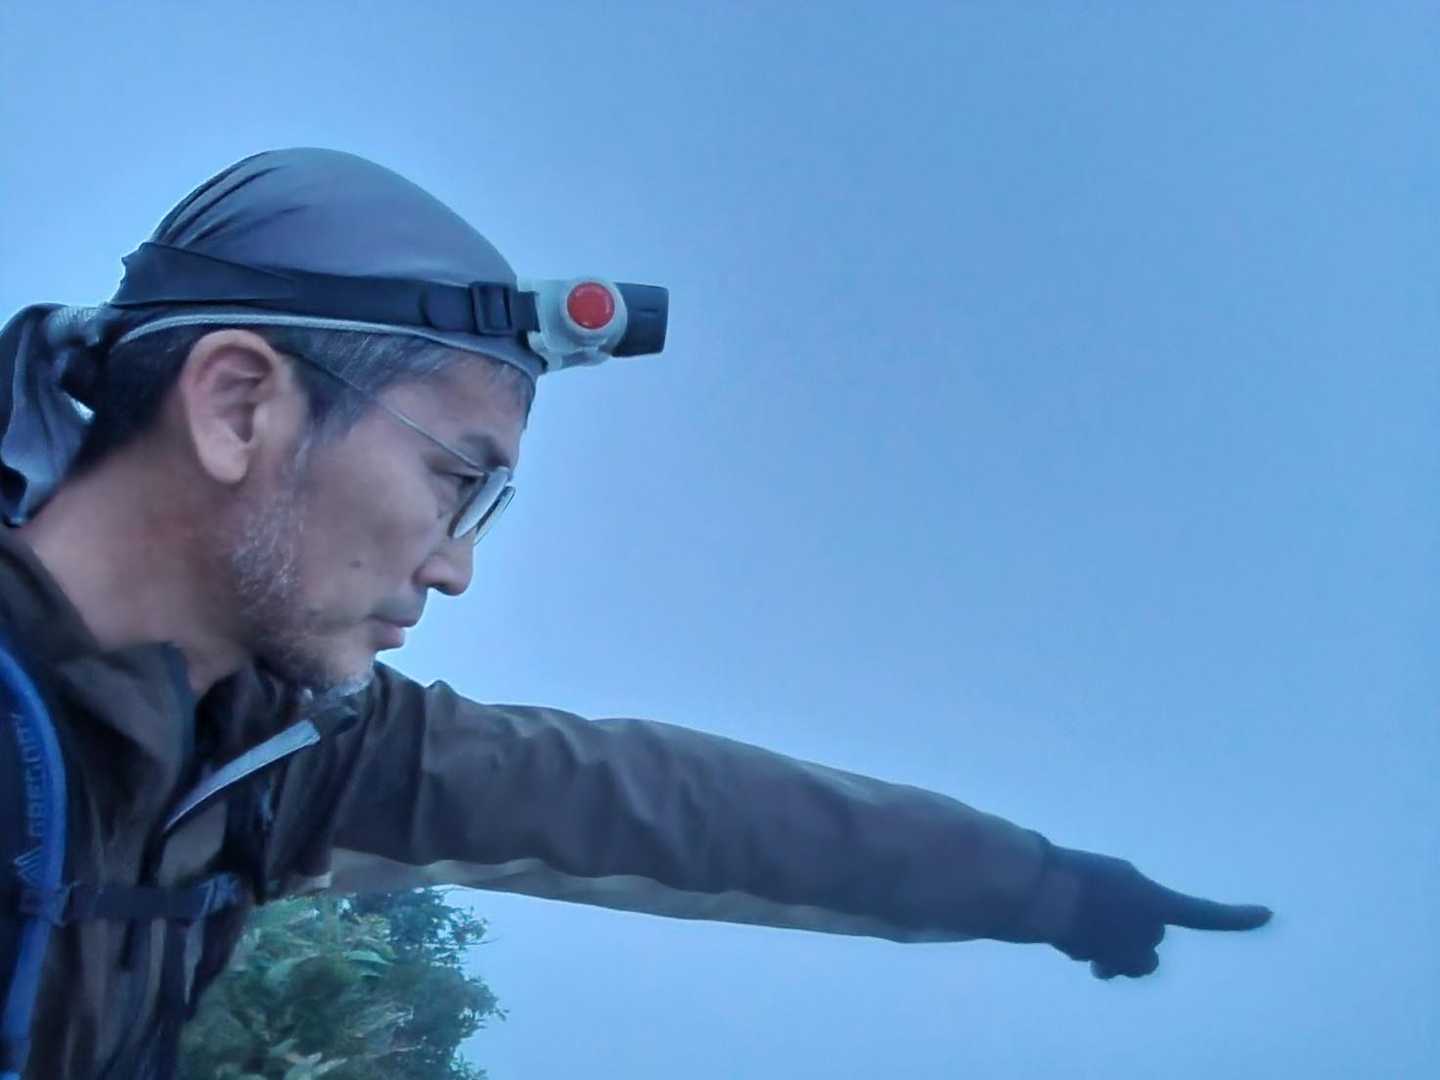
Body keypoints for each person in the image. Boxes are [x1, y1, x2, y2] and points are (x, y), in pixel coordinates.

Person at [0, 149, 1272, 1079]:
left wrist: (1042, 887)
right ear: (238, 407)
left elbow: (667, 806)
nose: (456, 568)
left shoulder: (279, 755)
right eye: (455, 478)